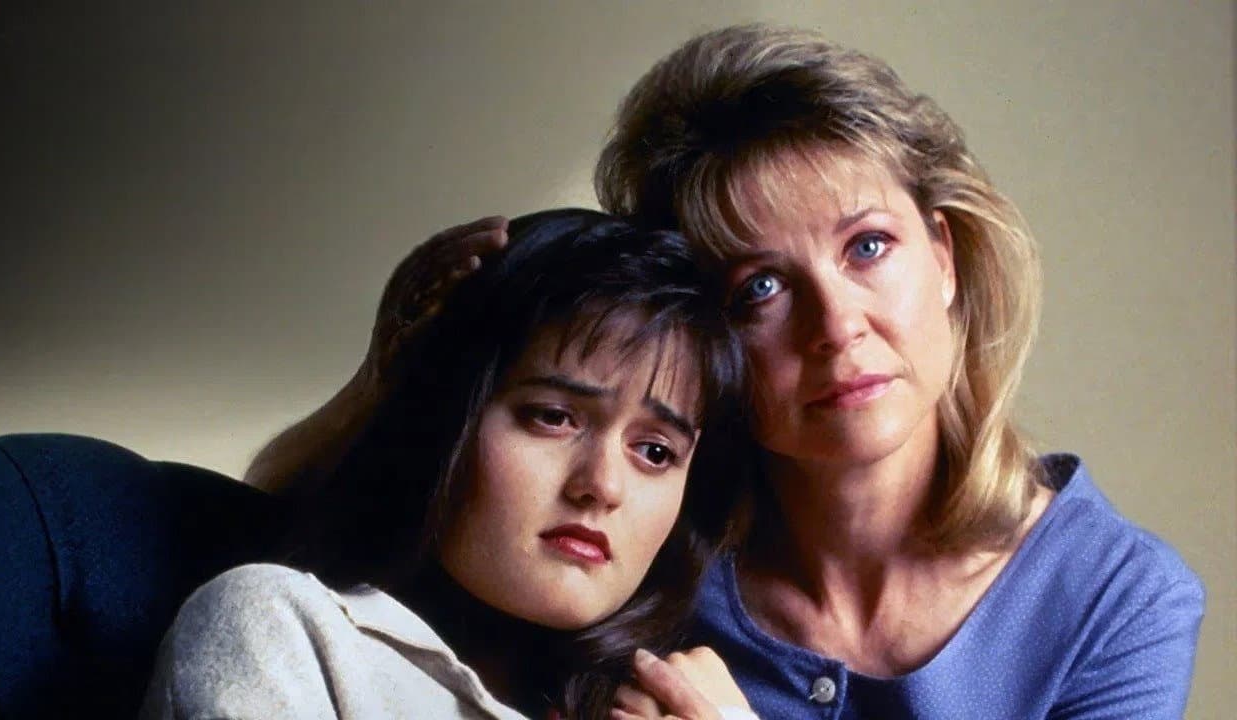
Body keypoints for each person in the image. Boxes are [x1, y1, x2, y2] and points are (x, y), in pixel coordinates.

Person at [594, 24, 1205, 719]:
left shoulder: (1118, 600)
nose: (836, 326)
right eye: (761, 287)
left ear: (943, 256)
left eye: (868, 247)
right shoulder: (643, 556)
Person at [140, 209, 758, 720]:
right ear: (447, 417)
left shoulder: (680, 702)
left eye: (655, 452)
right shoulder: (286, 628)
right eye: (552, 417)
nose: (602, 485)